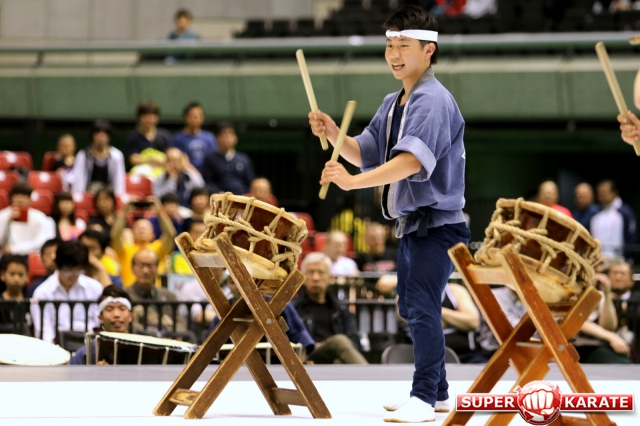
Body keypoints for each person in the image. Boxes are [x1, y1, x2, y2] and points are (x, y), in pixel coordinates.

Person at [308, 5, 470, 422]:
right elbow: (365, 152)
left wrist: (351, 183)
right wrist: (333, 133)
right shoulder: (394, 101)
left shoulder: (433, 100)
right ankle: (438, 393)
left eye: (404, 45)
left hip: (438, 225)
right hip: (414, 225)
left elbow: (410, 162)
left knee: (422, 306)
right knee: (413, 305)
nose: (394, 54)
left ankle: (423, 396)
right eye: (389, 45)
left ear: (429, 50)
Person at [294, 252, 367, 365]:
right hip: (308, 356)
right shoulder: (294, 308)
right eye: (311, 272)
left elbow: (355, 342)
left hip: (334, 357)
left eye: (321, 272)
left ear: (330, 278)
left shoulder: (341, 308)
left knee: (339, 361)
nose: (316, 278)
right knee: (339, 341)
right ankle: (370, 374)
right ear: (302, 278)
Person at [30, 241, 103, 343]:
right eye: (67, 270)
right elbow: (44, 332)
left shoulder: (95, 288)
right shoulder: (42, 292)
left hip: (89, 345)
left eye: (78, 270)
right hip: (57, 346)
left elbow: (99, 324)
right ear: (57, 265)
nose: (72, 275)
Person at [573, 264, 633, 364]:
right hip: (578, 347)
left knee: (621, 359)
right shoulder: (571, 295)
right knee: (607, 356)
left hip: (600, 346)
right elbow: (577, 322)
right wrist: (611, 337)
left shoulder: (600, 295)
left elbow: (609, 326)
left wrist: (607, 295)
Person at [111, 197, 176, 286]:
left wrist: (160, 211)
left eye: (145, 228)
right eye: (138, 228)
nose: (142, 230)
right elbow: (115, 235)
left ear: (152, 234)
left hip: (154, 292)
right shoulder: (125, 250)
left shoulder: (158, 248)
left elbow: (170, 234)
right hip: (130, 292)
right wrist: (124, 211)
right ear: (133, 233)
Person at [124, 248, 187, 332]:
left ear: (157, 268)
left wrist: (175, 335)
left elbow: (181, 323)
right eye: (141, 265)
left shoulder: (169, 296)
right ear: (132, 268)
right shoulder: (123, 294)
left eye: (150, 266)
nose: (146, 271)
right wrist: (158, 332)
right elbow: (126, 324)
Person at [69, 285, 134, 365]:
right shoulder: (87, 353)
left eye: (122, 308)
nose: (116, 314)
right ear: (100, 318)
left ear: (130, 316)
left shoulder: (144, 349)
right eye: (109, 309)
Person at [0, 181, 56, 255]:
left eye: (24, 196)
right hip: (7, 256)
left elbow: (42, 242)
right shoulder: (2, 215)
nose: (20, 199)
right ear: (11, 198)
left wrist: (14, 249)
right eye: (16, 196)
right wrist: (8, 221)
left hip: (31, 255)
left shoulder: (40, 217)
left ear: (30, 199)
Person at [72, 120, 126, 195]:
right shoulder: (82, 155)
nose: (101, 138)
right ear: (93, 136)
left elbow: (119, 180)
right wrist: (80, 197)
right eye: (98, 134)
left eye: (104, 135)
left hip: (109, 195)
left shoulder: (117, 155)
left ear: (108, 137)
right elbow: (78, 180)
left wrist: (119, 196)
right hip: (89, 193)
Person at [202, 122, 255, 195]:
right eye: (223, 135)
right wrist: (219, 193)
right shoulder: (210, 159)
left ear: (236, 138)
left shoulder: (244, 159)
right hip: (219, 198)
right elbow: (208, 182)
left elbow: (250, 182)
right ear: (217, 138)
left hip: (241, 197)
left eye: (230, 135)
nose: (226, 138)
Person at [590, 179, 637, 259]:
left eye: (604, 192)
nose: (601, 195)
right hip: (600, 261)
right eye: (599, 193)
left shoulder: (624, 213)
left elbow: (631, 239)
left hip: (619, 261)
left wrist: (626, 258)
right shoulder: (596, 216)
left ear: (614, 192)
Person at [126, 101, 172, 176]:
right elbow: (133, 159)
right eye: (145, 117)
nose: (149, 120)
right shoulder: (133, 137)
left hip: (162, 174)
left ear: (157, 118)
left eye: (151, 117)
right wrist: (153, 160)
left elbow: (171, 155)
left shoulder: (164, 136)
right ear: (139, 118)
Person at [173, 102, 217, 174]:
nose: (195, 119)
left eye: (199, 116)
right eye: (192, 116)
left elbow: (214, 159)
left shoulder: (209, 138)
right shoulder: (177, 139)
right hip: (186, 174)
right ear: (185, 117)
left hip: (207, 174)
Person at [0, 255, 30, 335]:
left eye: (21, 274)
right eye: (12, 274)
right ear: (3, 275)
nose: (16, 279)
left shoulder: (31, 302)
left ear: (27, 276)